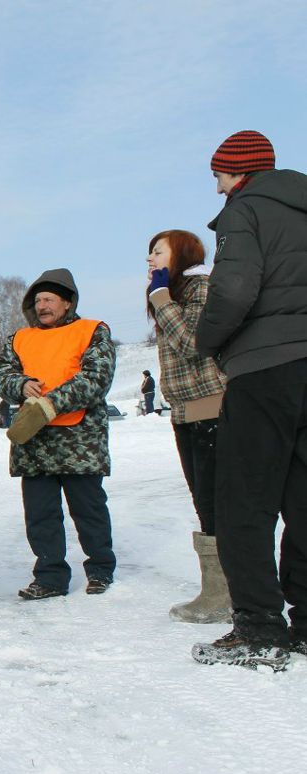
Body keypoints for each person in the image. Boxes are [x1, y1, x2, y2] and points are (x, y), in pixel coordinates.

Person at [191, 130, 307, 669]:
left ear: (239, 172)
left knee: (243, 501)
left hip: (265, 368)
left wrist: (208, 341)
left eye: (218, 176)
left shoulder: (246, 210)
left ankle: (259, 626)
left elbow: (235, 290)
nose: (217, 189)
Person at [0, 269, 117, 599]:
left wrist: (50, 402)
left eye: (49, 299)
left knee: (89, 511)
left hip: (81, 443)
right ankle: (50, 577)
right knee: (41, 516)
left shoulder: (92, 331)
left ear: (67, 302)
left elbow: (96, 379)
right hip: (35, 446)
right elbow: (2, 375)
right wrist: (20, 385)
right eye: (37, 300)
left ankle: (101, 570)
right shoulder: (19, 338)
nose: (42, 305)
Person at [145, 230, 230, 623]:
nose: (150, 259)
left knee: (218, 504)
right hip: (185, 412)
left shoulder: (201, 287)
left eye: (157, 251)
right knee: (204, 503)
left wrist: (161, 298)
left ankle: (226, 594)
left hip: (212, 408)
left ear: (181, 253)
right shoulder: (175, 293)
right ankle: (219, 589)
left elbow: (193, 343)